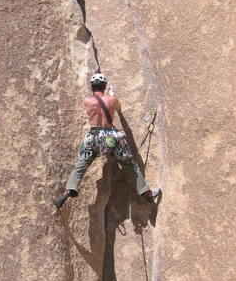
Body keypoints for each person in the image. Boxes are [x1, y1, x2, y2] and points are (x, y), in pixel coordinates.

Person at [53, 73, 161, 209]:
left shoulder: (87, 101)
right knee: (129, 165)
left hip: (93, 137)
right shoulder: (112, 100)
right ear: (104, 86)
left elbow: (92, 110)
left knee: (81, 165)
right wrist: (111, 94)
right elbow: (119, 110)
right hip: (111, 137)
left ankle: (69, 190)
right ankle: (148, 194)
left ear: (91, 87)